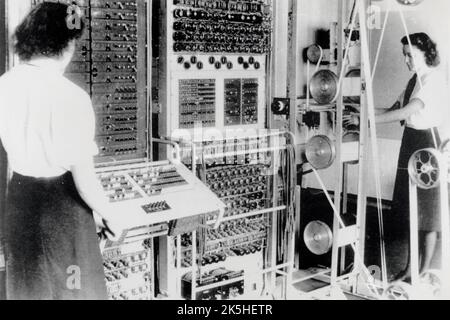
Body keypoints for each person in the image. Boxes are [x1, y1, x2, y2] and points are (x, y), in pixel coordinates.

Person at [0, 3, 123, 300]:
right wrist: (110, 215)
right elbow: (85, 181)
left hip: (19, 202)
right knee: (73, 293)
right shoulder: (71, 97)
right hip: (63, 211)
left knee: (28, 291)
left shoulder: (4, 85)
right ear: (67, 44)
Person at [345, 32, 449, 282]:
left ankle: (423, 271)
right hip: (410, 142)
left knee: (428, 211)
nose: (406, 60)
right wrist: (362, 108)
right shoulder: (415, 79)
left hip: (426, 145)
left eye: (410, 55)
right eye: (404, 56)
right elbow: (393, 110)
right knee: (411, 209)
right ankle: (410, 269)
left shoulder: (433, 80)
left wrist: (366, 120)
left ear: (426, 53)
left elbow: (408, 110)